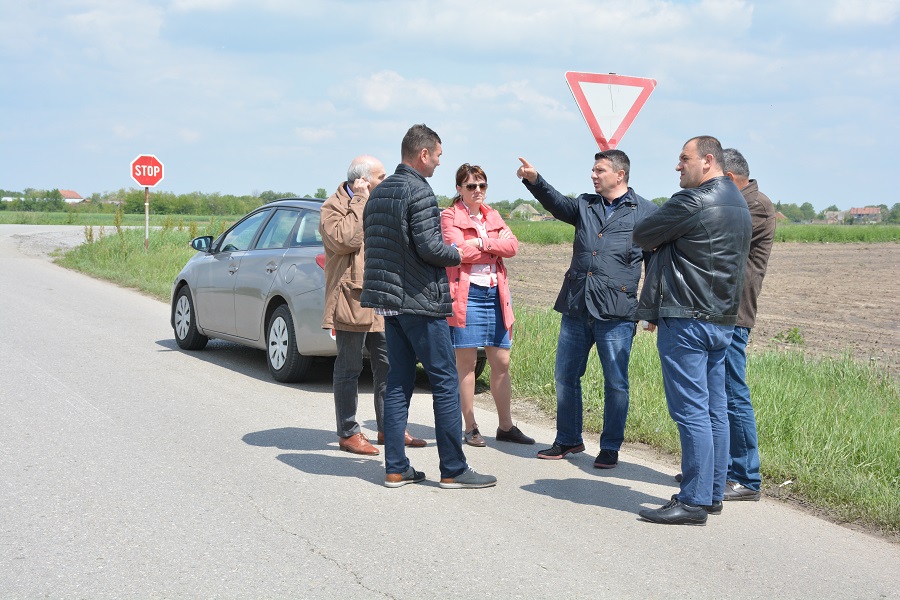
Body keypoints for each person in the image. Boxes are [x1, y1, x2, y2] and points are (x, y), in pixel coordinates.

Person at [361, 124, 497, 489]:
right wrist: (460, 254)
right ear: (423, 154)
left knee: (398, 384)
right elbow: (429, 248)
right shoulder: (418, 190)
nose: (438, 162)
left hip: (389, 305)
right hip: (421, 301)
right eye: (437, 155)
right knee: (445, 381)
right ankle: (453, 468)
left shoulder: (379, 192)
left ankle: (396, 467)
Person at [634, 136, 751, 525]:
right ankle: (713, 492)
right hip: (721, 320)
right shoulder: (737, 202)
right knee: (715, 409)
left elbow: (643, 234)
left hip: (686, 317)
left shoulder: (692, 201)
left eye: (684, 159)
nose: (678, 166)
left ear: (708, 160)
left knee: (691, 412)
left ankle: (695, 501)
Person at [516, 150, 658, 468]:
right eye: (592, 170)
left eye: (599, 170)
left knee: (616, 382)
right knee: (566, 376)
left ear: (620, 174)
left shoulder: (645, 211)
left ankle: (610, 447)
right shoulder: (584, 204)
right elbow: (557, 203)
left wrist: (651, 310)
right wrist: (535, 181)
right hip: (577, 305)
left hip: (617, 312)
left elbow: (654, 263)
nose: (593, 175)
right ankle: (568, 439)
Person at [320, 155, 427, 456]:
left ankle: (389, 427)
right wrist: (361, 202)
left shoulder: (381, 203)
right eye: (381, 177)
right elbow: (346, 240)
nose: (386, 181)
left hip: (381, 297)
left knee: (389, 366)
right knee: (350, 367)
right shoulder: (334, 206)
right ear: (363, 181)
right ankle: (348, 433)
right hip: (350, 299)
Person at [441, 163, 534, 447]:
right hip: (466, 296)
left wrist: (480, 242)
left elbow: (513, 247)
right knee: (466, 364)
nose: (478, 191)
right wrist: (492, 242)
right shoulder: (449, 216)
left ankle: (505, 427)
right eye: (471, 186)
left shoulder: (492, 214)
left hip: (495, 295)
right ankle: (470, 426)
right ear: (459, 189)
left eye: (482, 185)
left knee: (502, 361)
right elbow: (458, 252)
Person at [721, 148, 776, 501]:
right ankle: (722, 470)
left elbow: (716, 237)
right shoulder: (739, 201)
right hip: (720, 312)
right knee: (718, 395)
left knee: (733, 395)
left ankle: (746, 477)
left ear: (727, 179)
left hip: (734, 314)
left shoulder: (754, 205)